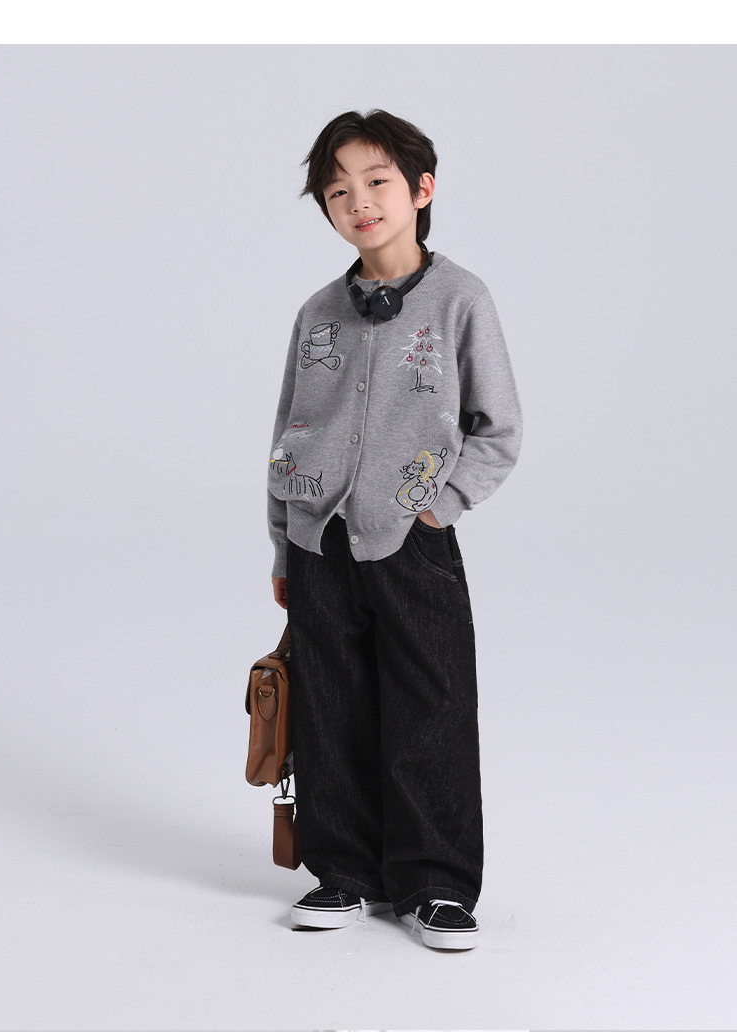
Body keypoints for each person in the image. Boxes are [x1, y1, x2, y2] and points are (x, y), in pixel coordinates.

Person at [266, 109, 522, 950]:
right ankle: (343, 871)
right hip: (318, 539)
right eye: (337, 191)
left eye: (376, 181)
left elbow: (498, 429)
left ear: (421, 189)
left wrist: (438, 507)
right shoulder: (317, 312)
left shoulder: (460, 299)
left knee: (431, 702)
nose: (359, 202)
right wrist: (283, 541)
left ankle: (435, 882)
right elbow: (289, 433)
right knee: (330, 704)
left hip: (411, 539)